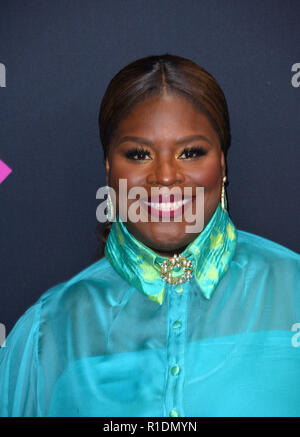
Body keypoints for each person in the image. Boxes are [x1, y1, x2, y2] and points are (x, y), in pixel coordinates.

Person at [0, 54, 299, 417]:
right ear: (109, 168)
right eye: (139, 154)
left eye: (190, 152)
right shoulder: (47, 332)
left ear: (222, 163)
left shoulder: (293, 291)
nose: (166, 176)